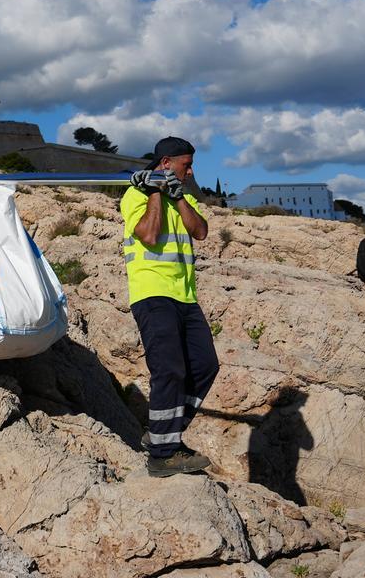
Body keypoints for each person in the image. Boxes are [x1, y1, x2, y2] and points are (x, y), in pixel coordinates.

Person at [123, 136, 220, 477]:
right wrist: (154, 192)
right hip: (152, 292)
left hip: (185, 295)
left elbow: (201, 231)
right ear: (166, 163)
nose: (191, 171)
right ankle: (163, 455)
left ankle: (162, 433)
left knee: (206, 365)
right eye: (186, 165)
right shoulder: (135, 194)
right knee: (169, 369)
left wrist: (177, 197)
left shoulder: (186, 195)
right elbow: (148, 235)